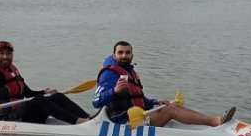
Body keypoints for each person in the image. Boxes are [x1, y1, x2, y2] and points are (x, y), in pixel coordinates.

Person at [92, 41, 235, 127]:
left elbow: (137, 99)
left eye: (127, 52)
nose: (124, 55)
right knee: (171, 111)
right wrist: (115, 91)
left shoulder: (130, 71)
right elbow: (96, 102)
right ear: (114, 55)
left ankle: (213, 120)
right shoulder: (109, 74)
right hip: (124, 122)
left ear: (132, 55)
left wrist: (155, 102)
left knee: (171, 106)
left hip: (136, 115)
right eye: (120, 52)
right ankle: (215, 122)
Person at [0, 40, 91, 124]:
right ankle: (79, 122)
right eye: (1, 54)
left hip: (21, 112)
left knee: (56, 96)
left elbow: (28, 93)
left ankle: (89, 118)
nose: (5, 57)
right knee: (39, 100)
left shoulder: (12, 70)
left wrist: (44, 92)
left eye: (8, 54)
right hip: (6, 116)